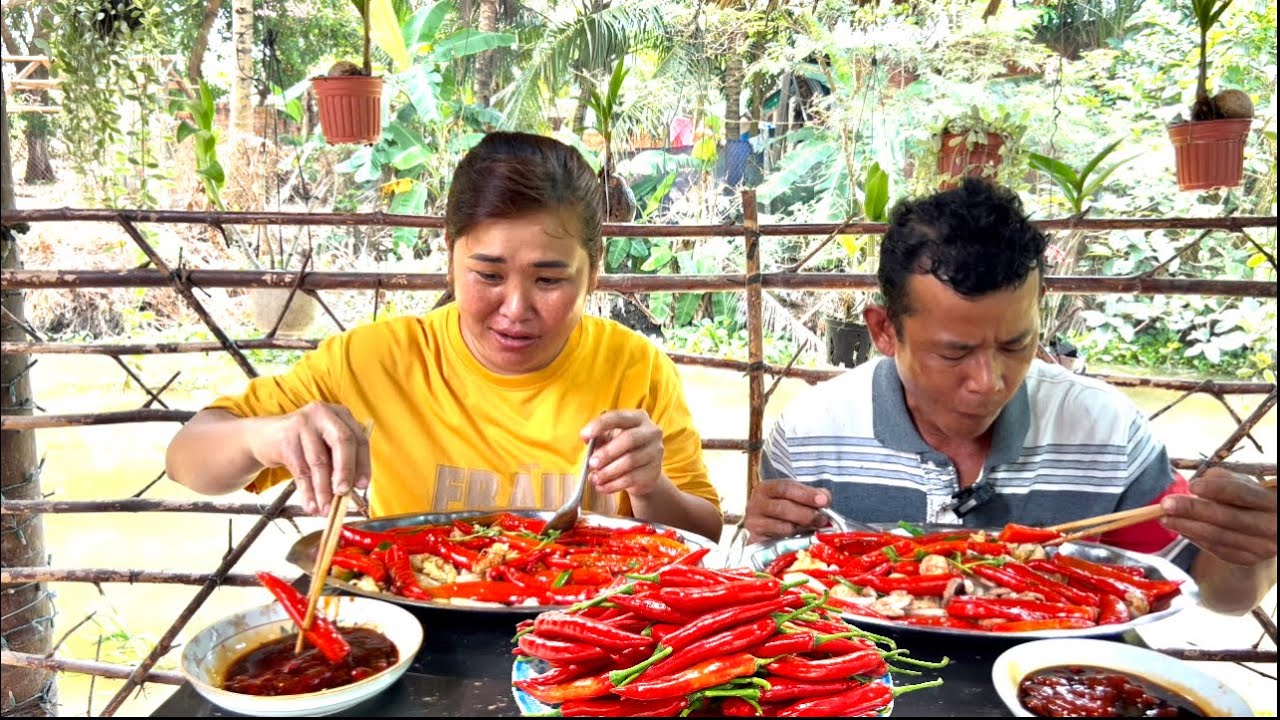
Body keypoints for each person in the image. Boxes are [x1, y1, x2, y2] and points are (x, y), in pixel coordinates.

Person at [745, 179, 1276, 614]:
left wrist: (1251, 554)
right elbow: (780, 587)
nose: (989, 381)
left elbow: (1212, 594)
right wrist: (764, 538)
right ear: (884, 331)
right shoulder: (812, 434)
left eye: (1016, 343)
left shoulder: (1107, 432)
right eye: (954, 353)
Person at [166, 132, 723, 541]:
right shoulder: (374, 361)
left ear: (593, 274)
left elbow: (705, 530)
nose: (515, 308)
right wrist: (265, 437)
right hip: (420, 643)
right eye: (487, 275)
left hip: (582, 647)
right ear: (449, 257)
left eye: (549, 279)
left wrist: (650, 489)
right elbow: (187, 460)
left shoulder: (632, 366)